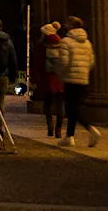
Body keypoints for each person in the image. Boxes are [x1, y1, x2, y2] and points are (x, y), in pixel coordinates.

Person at [59, 17, 100, 147]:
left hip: (70, 79)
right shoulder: (87, 43)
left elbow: (64, 62)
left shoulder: (65, 41)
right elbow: (91, 62)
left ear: (70, 26)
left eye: (67, 23)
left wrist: (60, 73)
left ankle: (90, 128)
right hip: (83, 79)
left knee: (71, 108)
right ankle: (69, 136)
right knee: (75, 107)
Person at [39, 21, 67, 138]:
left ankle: (50, 128)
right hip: (60, 79)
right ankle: (58, 129)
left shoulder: (42, 46)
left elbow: (38, 64)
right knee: (60, 105)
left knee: (48, 105)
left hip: (48, 79)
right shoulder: (62, 44)